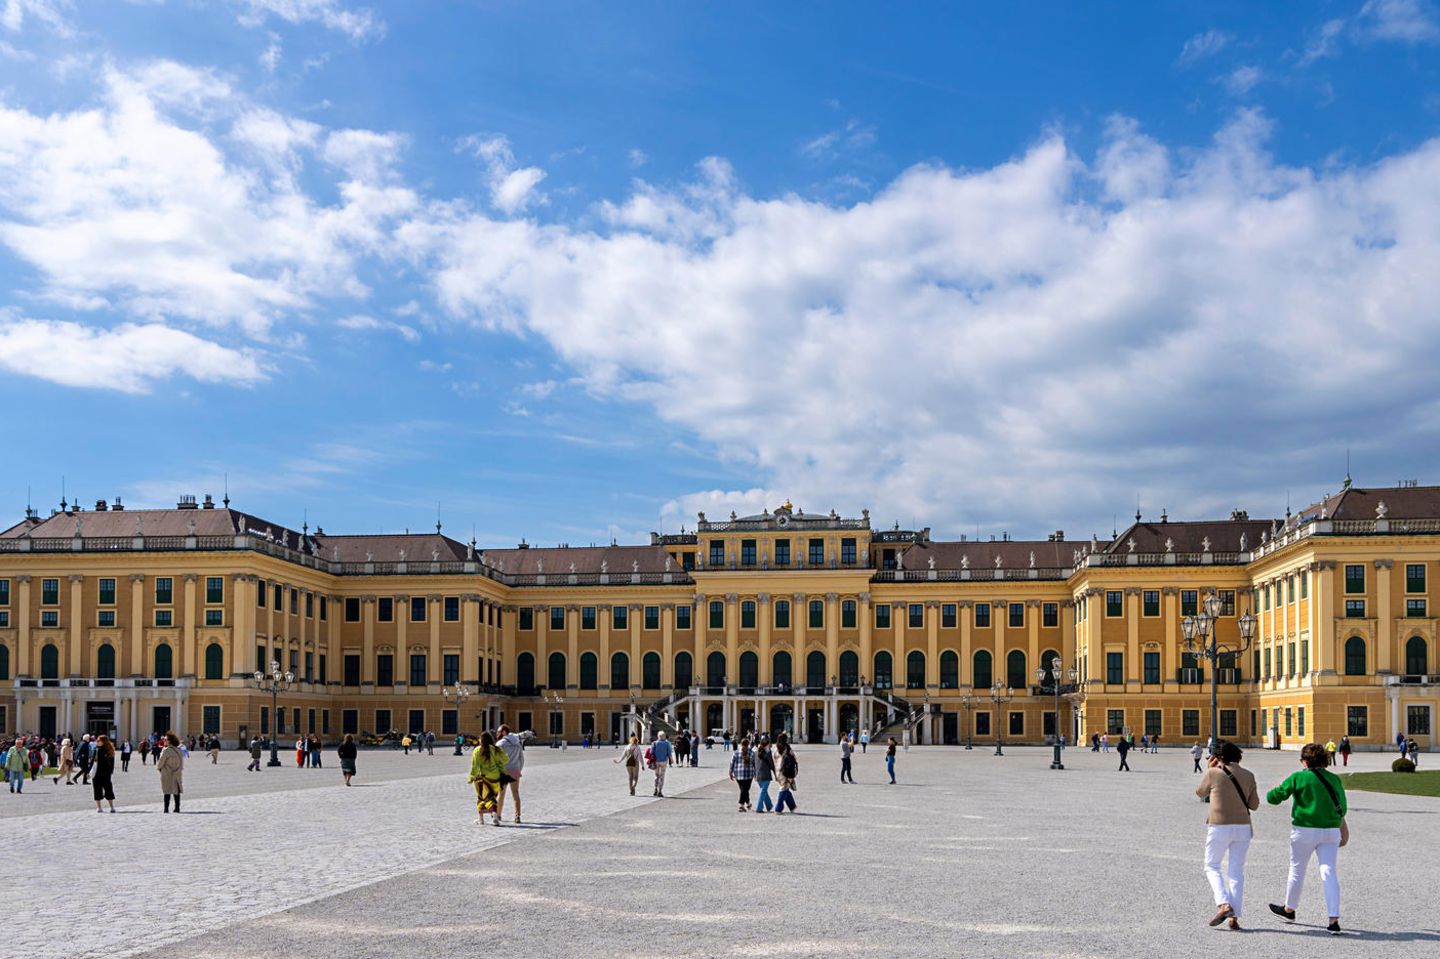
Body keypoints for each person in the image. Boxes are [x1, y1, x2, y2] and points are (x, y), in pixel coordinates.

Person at [1267, 742, 1347, 935]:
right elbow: (1342, 809)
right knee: (1328, 871)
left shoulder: (1298, 777)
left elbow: (1273, 798)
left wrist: (1276, 788)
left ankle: (1289, 909)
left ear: (1305, 761)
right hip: (1330, 831)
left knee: (1297, 869)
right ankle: (1333, 918)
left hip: (1304, 830)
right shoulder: (1334, 779)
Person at [1197, 740, 1259, 930]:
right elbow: (1254, 805)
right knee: (1236, 871)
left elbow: (1200, 792)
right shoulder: (1249, 775)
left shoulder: (1213, 773)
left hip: (1219, 826)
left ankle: (1224, 903)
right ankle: (1234, 917)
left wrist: (1209, 769)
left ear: (1218, 757)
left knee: (1212, 866)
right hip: (1243, 827)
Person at [495, 725, 534, 824]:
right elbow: (521, 758)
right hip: (515, 770)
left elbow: (496, 760)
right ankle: (517, 816)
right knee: (515, 794)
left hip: (504, 771)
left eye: (499, 731)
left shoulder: (500, 744)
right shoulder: (518, 743)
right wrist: (518, 769)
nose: (497, 733)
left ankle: (498, 815)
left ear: (504, 732)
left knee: (501, 794)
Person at [469, 731, 508, 826]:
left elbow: (475, 766)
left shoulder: (477, 750)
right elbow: (504, 760)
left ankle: (481, 819)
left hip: (483, 778)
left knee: (481, 798)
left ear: (480, 740)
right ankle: (494, 816)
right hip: (495, 778)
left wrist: (471, 778)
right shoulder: (496, 749)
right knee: (492, 798)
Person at [156, 731, 184, 813]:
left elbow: (161, 762)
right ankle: (177, 808)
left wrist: (159, 768)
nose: (164, 741)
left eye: (165, 739)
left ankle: (166, 808)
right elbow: (181, 762)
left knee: (167, 791)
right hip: (177, 773)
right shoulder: (178, 750)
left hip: (167, 773)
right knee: (176, 791)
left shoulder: (166, 750)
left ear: (169, 741)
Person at [91, 734, 117, 813]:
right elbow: (92, 761)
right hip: (96, 773)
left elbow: (112, 763)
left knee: (108, 789)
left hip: (106, 773)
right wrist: (88, 771)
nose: (96, 742)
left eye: (98, 740)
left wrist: (110, 772)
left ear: (103, 741)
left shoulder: (109, 750)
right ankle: (99, 807)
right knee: (97, 790)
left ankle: (112, 806)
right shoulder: (96, 750)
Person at [729, 737, 755, 811]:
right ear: (748, 744)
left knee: (744, 790)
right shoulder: (751, 752)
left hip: (738, 774)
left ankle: (748, 803)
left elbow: (732, 763)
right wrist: (756, 773)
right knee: (745, 789)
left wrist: (730, 772)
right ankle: (741, 805)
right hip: (749, 774)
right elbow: (754, 764)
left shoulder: (736, 752)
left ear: (740, 744)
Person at [774, 735, 798, 814]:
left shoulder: (776, 749)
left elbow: (774, 759)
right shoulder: (787, 748)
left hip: (778, 771)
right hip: (786, 772)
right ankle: (778, 808)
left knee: (786, 788)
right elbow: (794, 758)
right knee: (783, 789)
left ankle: (792, 806)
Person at [754, 735, 776, 813]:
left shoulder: (755, 753)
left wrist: (754, 774)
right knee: (763, 791)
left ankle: (769, 806)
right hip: (765, 775)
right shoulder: (767, 753)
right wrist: (776, 774)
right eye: (769, 744)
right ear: (766, 745)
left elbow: (754, 764)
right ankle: (759, 808)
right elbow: (772, 765)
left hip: (758, 775)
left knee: (763, 791)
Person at [650, 730, 674, 797]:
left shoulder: (654, 743)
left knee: (656, 775)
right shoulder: (667, 744)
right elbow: (669, 753)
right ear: (664, 736)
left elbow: (651, 752)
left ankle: (655, 789)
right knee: (662, 776)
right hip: (663, 761)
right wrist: (671, 760)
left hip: (656, 761)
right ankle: (660, 791)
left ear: (658, 736)